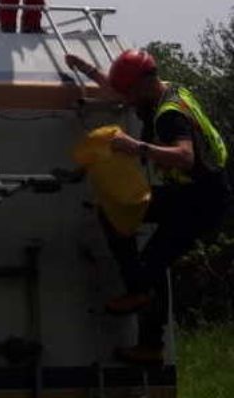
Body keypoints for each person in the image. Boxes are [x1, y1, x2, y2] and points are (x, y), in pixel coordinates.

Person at [65, 49, 230, 366]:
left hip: (202, 202)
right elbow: (119, 91)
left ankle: (147, 329)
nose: (126, 100)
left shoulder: (168, 115)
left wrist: (136, 147)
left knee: (152, 264)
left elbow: (185, 157)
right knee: (117, 215)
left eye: (130, 93)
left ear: (142, 84)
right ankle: (142, 305)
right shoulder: (168, 90)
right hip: (194, 194)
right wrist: (85, 68)